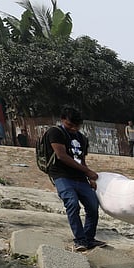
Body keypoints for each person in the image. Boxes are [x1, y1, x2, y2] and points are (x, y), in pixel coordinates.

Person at [44, 107, 104, 253]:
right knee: (72, 204)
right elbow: (62, 156)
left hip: (79, 177)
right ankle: (80, 240)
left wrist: (89, 177)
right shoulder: (55, 132)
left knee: (92, 205)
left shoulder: (82, 138)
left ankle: (89, 238)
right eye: (70, 125)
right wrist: (88, 172)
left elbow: (81, 159)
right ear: (63, 120)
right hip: (61, 175)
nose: (73, 129)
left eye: (76, 126)